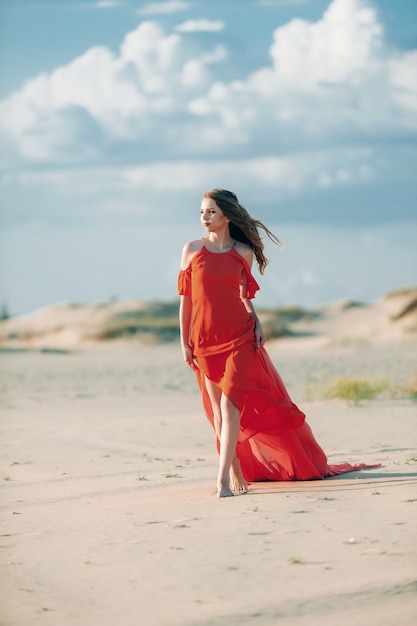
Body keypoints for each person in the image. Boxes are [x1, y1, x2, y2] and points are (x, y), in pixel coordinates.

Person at [178, 189, 379, 497]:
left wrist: (255, 321)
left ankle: (221, 482)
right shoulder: (191, 250)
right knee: (217, 412)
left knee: (231, 404)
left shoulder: (242, 252)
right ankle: (235, 471)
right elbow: (186, 301)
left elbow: (244, 296)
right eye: (202, 212)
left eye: (211, 212)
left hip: (239, 337)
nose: (204, 218)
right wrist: (184, 341)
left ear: (226, 216)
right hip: (204, 339)